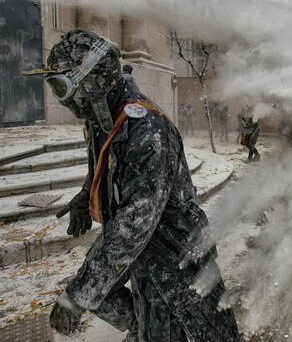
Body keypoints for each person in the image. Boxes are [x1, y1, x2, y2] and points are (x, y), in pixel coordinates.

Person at [31, 29, 238, 341]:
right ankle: (141, 327)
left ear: (91, 81)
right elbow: (107, 161)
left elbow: (135, 224)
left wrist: (76, 299)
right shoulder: (103, 117)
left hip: (172, 253)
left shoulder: (147, 130)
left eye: (62, 86)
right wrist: (86, 195)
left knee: (194, 329)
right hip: (137, 245)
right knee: (100, 292)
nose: (62, 100)